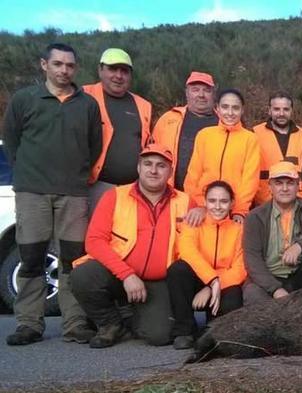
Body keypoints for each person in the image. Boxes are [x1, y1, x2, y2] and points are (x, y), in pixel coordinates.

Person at [3, 43, 102, 346]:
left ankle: (74, 323)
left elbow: (94, 146)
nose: (64, 70)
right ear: (44, 64)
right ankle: (29, 324)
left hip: (72, 193)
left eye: (69, 65)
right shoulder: (24, 100)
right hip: (32, 192)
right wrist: (28, 174)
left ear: (75, 68)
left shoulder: (86, 104)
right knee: (31, 258)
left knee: (73, 260)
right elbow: (11, 141)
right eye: (57, 64)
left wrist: (76, 175)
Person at [70, 144, 192, 348]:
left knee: (159, 336)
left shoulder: (186, 201)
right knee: (83, 276)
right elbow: (94, 241)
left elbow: (203, 235)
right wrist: (126, 274)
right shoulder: (115, 196)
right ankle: (110, 324)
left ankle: (132, 315)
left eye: (161, 166)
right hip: (119, 274)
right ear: (138, 168)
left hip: (159, 281)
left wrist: (203, 212)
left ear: (170, 172)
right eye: (148, 164)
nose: (153, 170)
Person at [242, 161, 302, 304]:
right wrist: (276, 290)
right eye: (279, 183)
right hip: (270, 277)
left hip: (300, 274)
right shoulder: (255, 217)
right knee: (252, 292)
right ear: (270, 187)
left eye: (290, 183)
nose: (285, 188)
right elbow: (252, 260)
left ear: (298, 186)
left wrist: (300, 246)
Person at [167, 181, 245, 349]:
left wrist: (212, 286)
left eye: (223, 201)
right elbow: (187, 253)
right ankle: (184, 330)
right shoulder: (193, 223)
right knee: (178, 269)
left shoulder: (239, 230)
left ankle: (212, 329)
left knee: (234, 294)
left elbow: (240, 268)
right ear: (205, 202)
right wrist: (211, 279)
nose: (217, 206)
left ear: (232, 203)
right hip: (198, 278)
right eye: (212, 201)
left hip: (222, 283)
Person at [83, 48, 152, 212]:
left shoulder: (144, 105)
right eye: (113, 69)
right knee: (94, 236)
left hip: (133, 189)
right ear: (100, 70)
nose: (119, 76)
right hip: (95, 187)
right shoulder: (83, 95)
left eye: (125, 71)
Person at [183, 88, 260, 226]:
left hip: (232, 210)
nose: (230, 113)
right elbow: (193, 174)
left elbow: (250, 179)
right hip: (204, 207)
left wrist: (239, 210)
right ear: (217, 108)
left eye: (235, 108)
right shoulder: (204, 135)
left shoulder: (250, 139)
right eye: (225, 107)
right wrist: (200, 204)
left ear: (242, 110)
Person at [151, 71, 218, 191]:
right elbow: (152, 155)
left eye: (206, 90)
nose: (201, 95)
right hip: (171, 195)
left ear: (213, 94)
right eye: (195, 89)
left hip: (213, 200)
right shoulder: (168, 119)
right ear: (187, 93)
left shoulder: (224, 123)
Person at [252, 92, 302, 205]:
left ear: (291, 110)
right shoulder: (255, 133)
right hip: (264, 202)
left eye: (286, 109)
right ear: (269, 110)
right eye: (277, 109)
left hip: (298, 201)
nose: (281, 113)